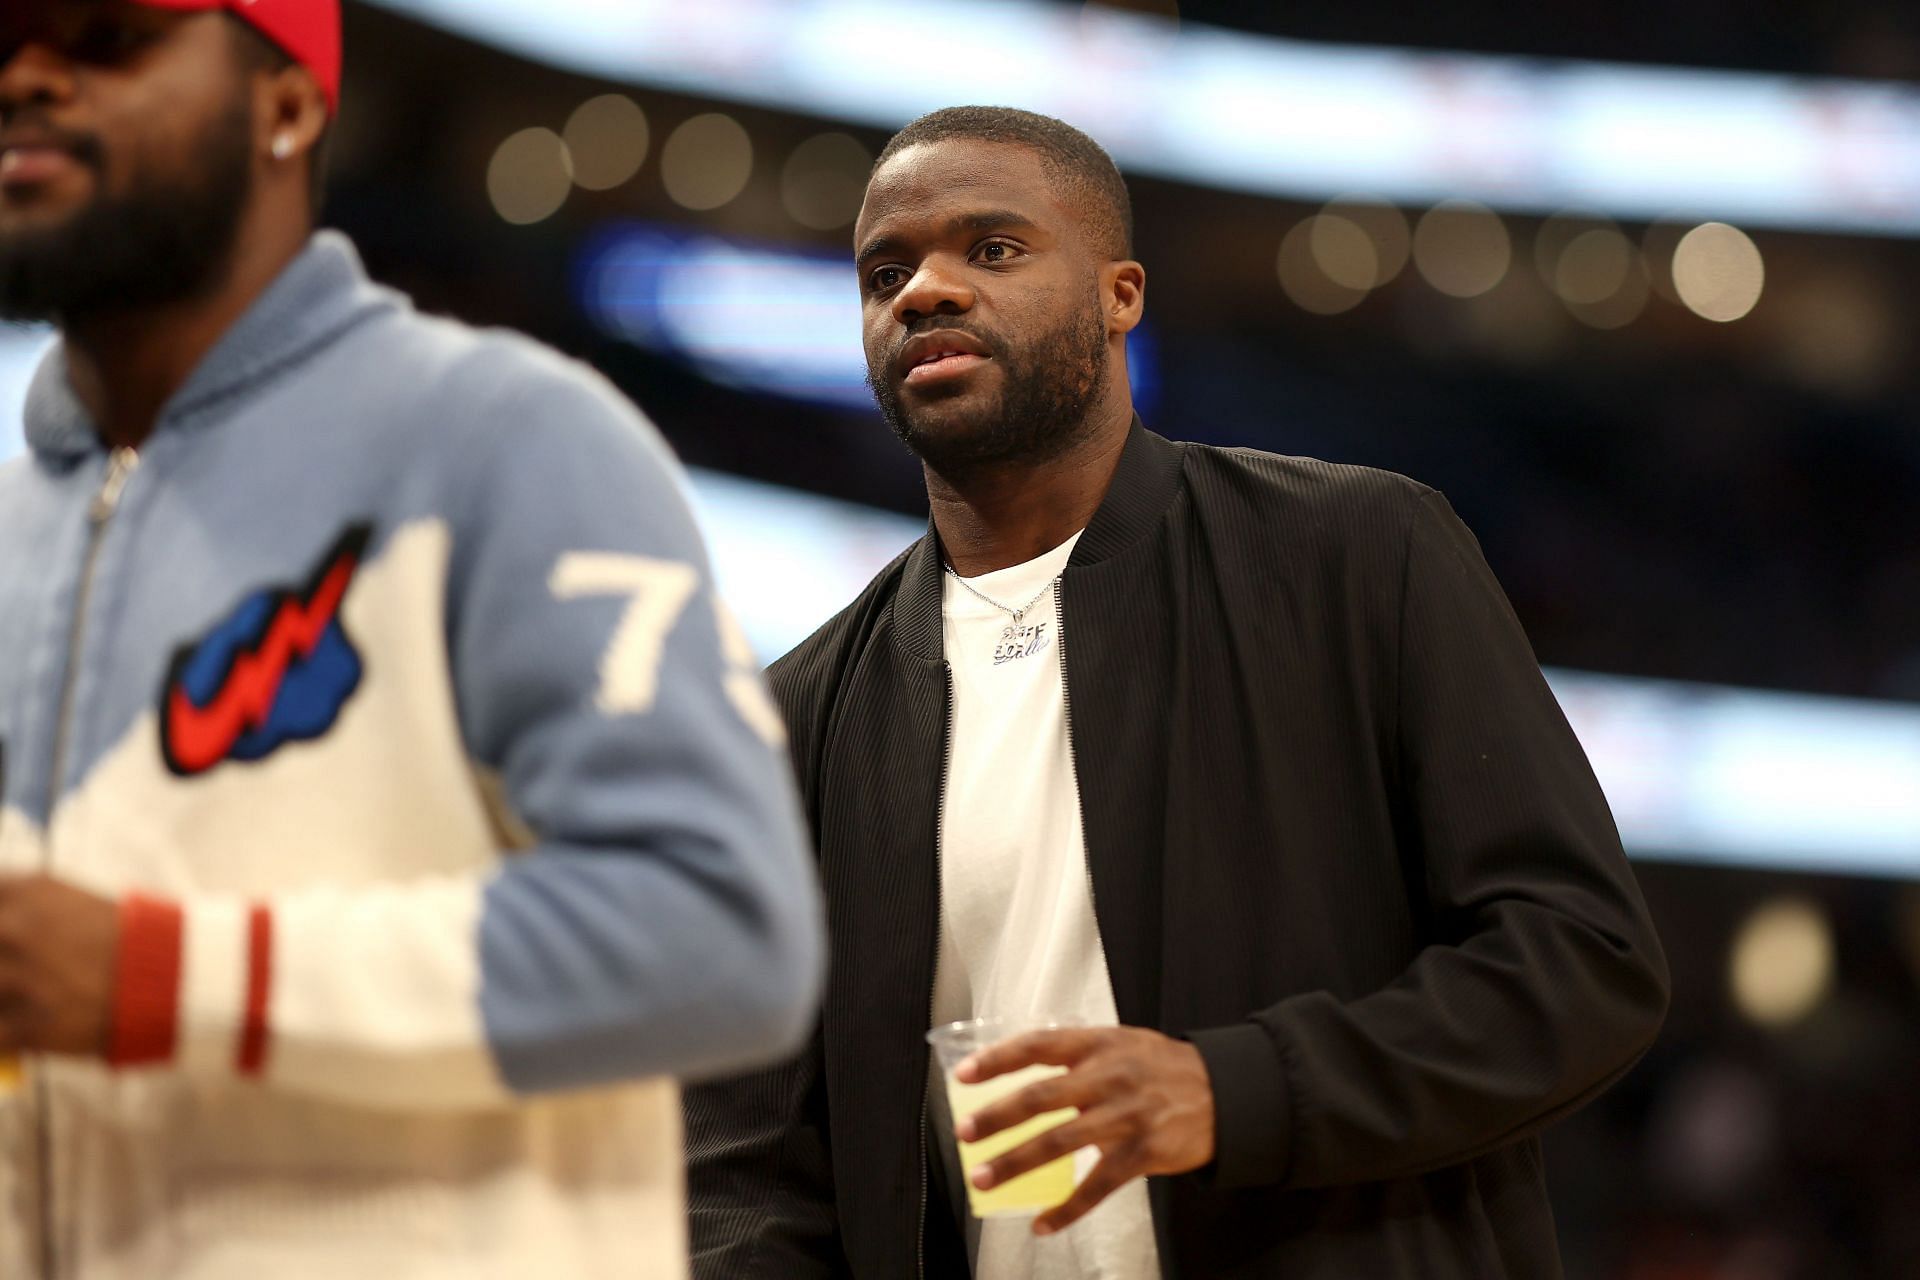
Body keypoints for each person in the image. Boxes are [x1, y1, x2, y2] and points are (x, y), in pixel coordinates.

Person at [685, 105, 1669, 1280]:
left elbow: (1582, 958)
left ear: (1121, 294)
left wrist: (1234, 1088)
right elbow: (744, 1166)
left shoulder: (1355, 553)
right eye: (886, 270)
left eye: (991, 249)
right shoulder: (800, 717)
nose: (926, 291)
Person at [0, 2, 824, 1276]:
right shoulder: (10, 524)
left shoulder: (505, 437)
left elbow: (720, 931)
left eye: (107, 36)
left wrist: (165, 973)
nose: (31, 77)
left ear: (287, 102)